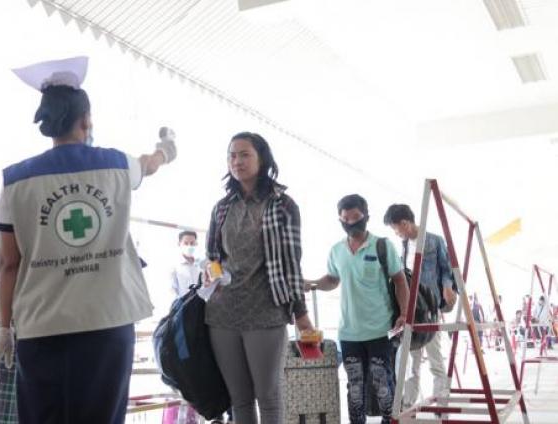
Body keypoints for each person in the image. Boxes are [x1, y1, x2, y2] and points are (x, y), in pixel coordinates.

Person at [0, 56, 176, 424]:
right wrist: (166, 150)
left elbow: (8, 263)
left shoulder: (15, 180)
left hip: (41, 325)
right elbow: (149, 163)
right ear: (86, 120)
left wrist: (5, 327)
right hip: (106, 321)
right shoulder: (116, 165)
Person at [204, 131, 313, 424]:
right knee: (238, 399)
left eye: (244, 154)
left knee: (269, 397)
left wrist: (301, 314)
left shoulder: (283, 205)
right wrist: (210, 274)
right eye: (232, 155)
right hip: (222, 315)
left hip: (266, 313)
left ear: (261, 158)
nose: (236, 161)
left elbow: (292, 263)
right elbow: (212, 257)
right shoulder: (222, 207)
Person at [305, 194, 408, 424]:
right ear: (340, 220)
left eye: (355, 217)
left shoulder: (382, 246)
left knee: (383, 384)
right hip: (349, 333)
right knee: (354, 387)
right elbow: (332, 280)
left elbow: (400, 280)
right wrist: (310, 283)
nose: (351, 223)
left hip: (380, 331)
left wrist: (403, 314)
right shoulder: (336, 251)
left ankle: (389, 421)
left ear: (366, 216)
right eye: (345, 219)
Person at [383, 204, 455, 410]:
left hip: (430, 309)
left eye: (396, 228)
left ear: (405, 223)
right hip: (411, 310)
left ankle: (442, 401)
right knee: (412, 359)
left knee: (435, 358)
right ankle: (408, 403)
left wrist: (447, 288)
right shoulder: (404, 246)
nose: (396, 233)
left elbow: (446, 269)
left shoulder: (434, 240)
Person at [171, 230, 214, 301]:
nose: (189, 246)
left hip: (204, 305)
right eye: (186, 243)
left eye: (192, 243)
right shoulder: (175, 267)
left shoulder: (202, 264)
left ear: (196, 244)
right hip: (184, 306)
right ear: (179, 244)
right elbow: (172, 290)